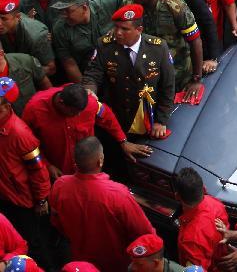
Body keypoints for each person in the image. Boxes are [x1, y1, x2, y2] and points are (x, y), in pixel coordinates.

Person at [49, 136, 154, 272]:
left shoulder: (59, 186)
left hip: (80, 260)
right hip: (116, 263)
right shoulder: (118, 194)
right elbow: (144, 232)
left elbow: (56, 221)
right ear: (100, 161)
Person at [82, 3, 177, 138]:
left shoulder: (158, 48)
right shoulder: (105, 46)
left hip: (149, 117)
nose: (118, 33)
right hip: (118, 117)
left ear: (139, 29)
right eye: (116, 27)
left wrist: (161, 121)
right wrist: (90, 90)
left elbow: (168, 85)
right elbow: (92, 74)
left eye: (125, 29)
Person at [22, 83, 147, 179]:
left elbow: (107, 117)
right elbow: (28, 144)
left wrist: (123, 141)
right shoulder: (34, 110)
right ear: (61, 103)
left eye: (81, 112)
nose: (77, 115)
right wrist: (47, 165)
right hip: (59, 172)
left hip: (90, 169)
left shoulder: (90, 103)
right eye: (73, 112)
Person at [0, 77, 51, 267]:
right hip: (6, 194)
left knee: (33, 241)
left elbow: (38, 171)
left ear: (6, 107)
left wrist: (41, 199)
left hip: (22, 200)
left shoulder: (20, 134)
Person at [0, 0, 55, 81]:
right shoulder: (5, 28)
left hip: (35, 80)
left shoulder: (36, 35)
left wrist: (21, 73)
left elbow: (51, 69)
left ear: (18, 17)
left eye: (4, 19)